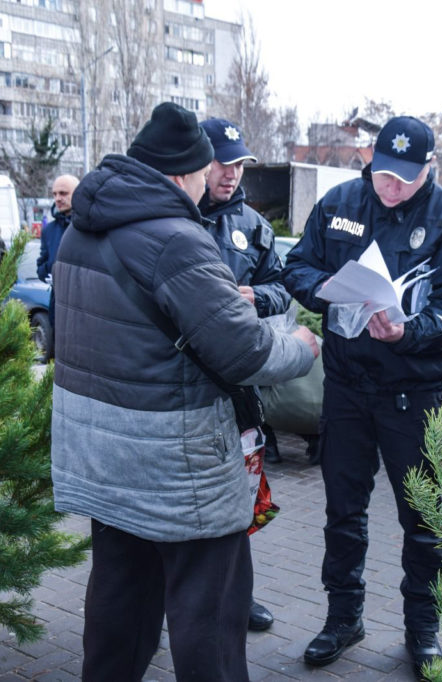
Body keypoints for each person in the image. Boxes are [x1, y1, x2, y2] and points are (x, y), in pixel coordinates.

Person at [49, 102, 319, 682]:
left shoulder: (80, 231)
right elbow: (245, 353)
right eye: (205, 171)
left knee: (119, 608)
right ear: (181, 175)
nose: (210, 181)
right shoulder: (176, 239)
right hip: (179, 469)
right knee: (210, 620)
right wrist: (301, 344)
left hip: (104, 459)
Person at [282, 115, 442, 679]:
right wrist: (326, 293)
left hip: (412, 396)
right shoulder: (342, 200)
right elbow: (297, 265)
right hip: (346, 390)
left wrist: (406, 331)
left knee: (423, 520)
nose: (391, 187)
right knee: (343, 513)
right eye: (383, 174)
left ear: (429, 169)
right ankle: (343, 618)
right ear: (370, 159)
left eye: (404, 179)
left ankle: (423, 631)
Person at [198, 116, 290, 634]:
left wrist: (257, 295)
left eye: (237, 164)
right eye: (220, 162)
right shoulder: (174, 216)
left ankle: (240, 595)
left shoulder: (254, 227)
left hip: (237, 388)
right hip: (184, 384)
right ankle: (180, 596)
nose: (230, 173)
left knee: (243, 493)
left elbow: (281, 286)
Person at [36, 174, 79, 329]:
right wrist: (50, 270)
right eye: (54, 194)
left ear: (78, 193)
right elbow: (41, 267)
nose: (58, 198)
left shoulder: (88, 227)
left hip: (83, 305)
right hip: (58, 305)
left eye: (63, 193)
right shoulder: (49, 230)